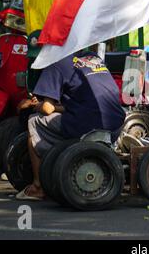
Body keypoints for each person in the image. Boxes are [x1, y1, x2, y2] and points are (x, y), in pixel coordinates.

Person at [16, 50, 126, 200]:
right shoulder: (93, 57)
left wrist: (33, 105)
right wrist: (55, 107)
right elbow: (82, 103)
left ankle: (38, 187)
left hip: (87, 126)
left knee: (34, 121)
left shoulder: (56, 61)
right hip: (115, 124)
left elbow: (47, 109)